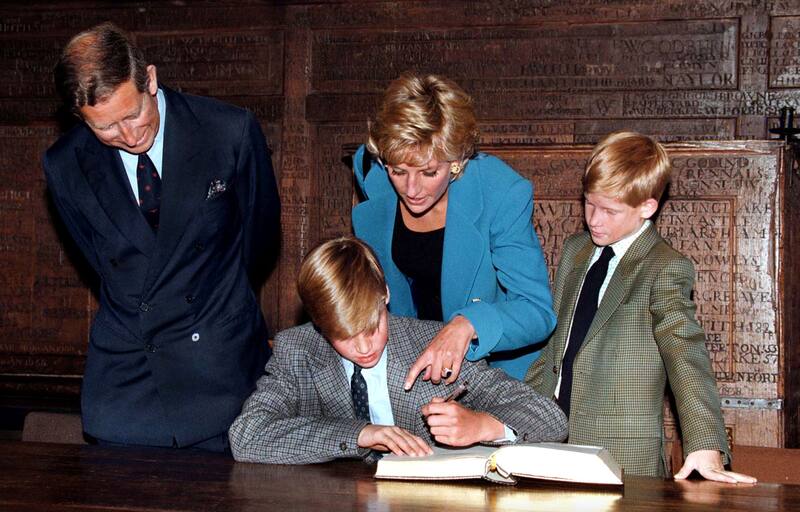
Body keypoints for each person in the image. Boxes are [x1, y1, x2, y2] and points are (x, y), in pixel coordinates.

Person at [42, 22, 280, 451]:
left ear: (149, 79)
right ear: (81, 118)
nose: (129, 136)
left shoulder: (228, 130)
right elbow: (99, 258)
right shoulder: (65, 163)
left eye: (133, 114)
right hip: (128, 379)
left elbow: (259, 242)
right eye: (106, 128)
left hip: (219, 368)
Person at [525, 132, 755, 483]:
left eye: (610, 211)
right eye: (589, 203)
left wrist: (706, 443)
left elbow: (685, 352)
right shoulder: (575, 250)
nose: (594, 220)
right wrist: (518, 416)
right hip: (547, 439)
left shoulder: (665, 267)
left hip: (622, 454)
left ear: (647, 207)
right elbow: (554, 347)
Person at [229, 236, 567, 464]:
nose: (364, 347)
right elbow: (246, 435)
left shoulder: (434, 345)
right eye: (344, 337)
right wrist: (360, 434)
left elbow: (551, 418)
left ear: (386, 295)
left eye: (372, 327)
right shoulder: (298, 351)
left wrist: (481, 425)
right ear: (318, 324)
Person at [351, 73, 555, 386]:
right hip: (410, 363)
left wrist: (468, 324)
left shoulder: (500, 193)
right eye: (399, 171)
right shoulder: (374, 177)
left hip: (494, 370)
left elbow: (537, 311)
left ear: (457, 161)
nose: (411, 189)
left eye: (429, 172)